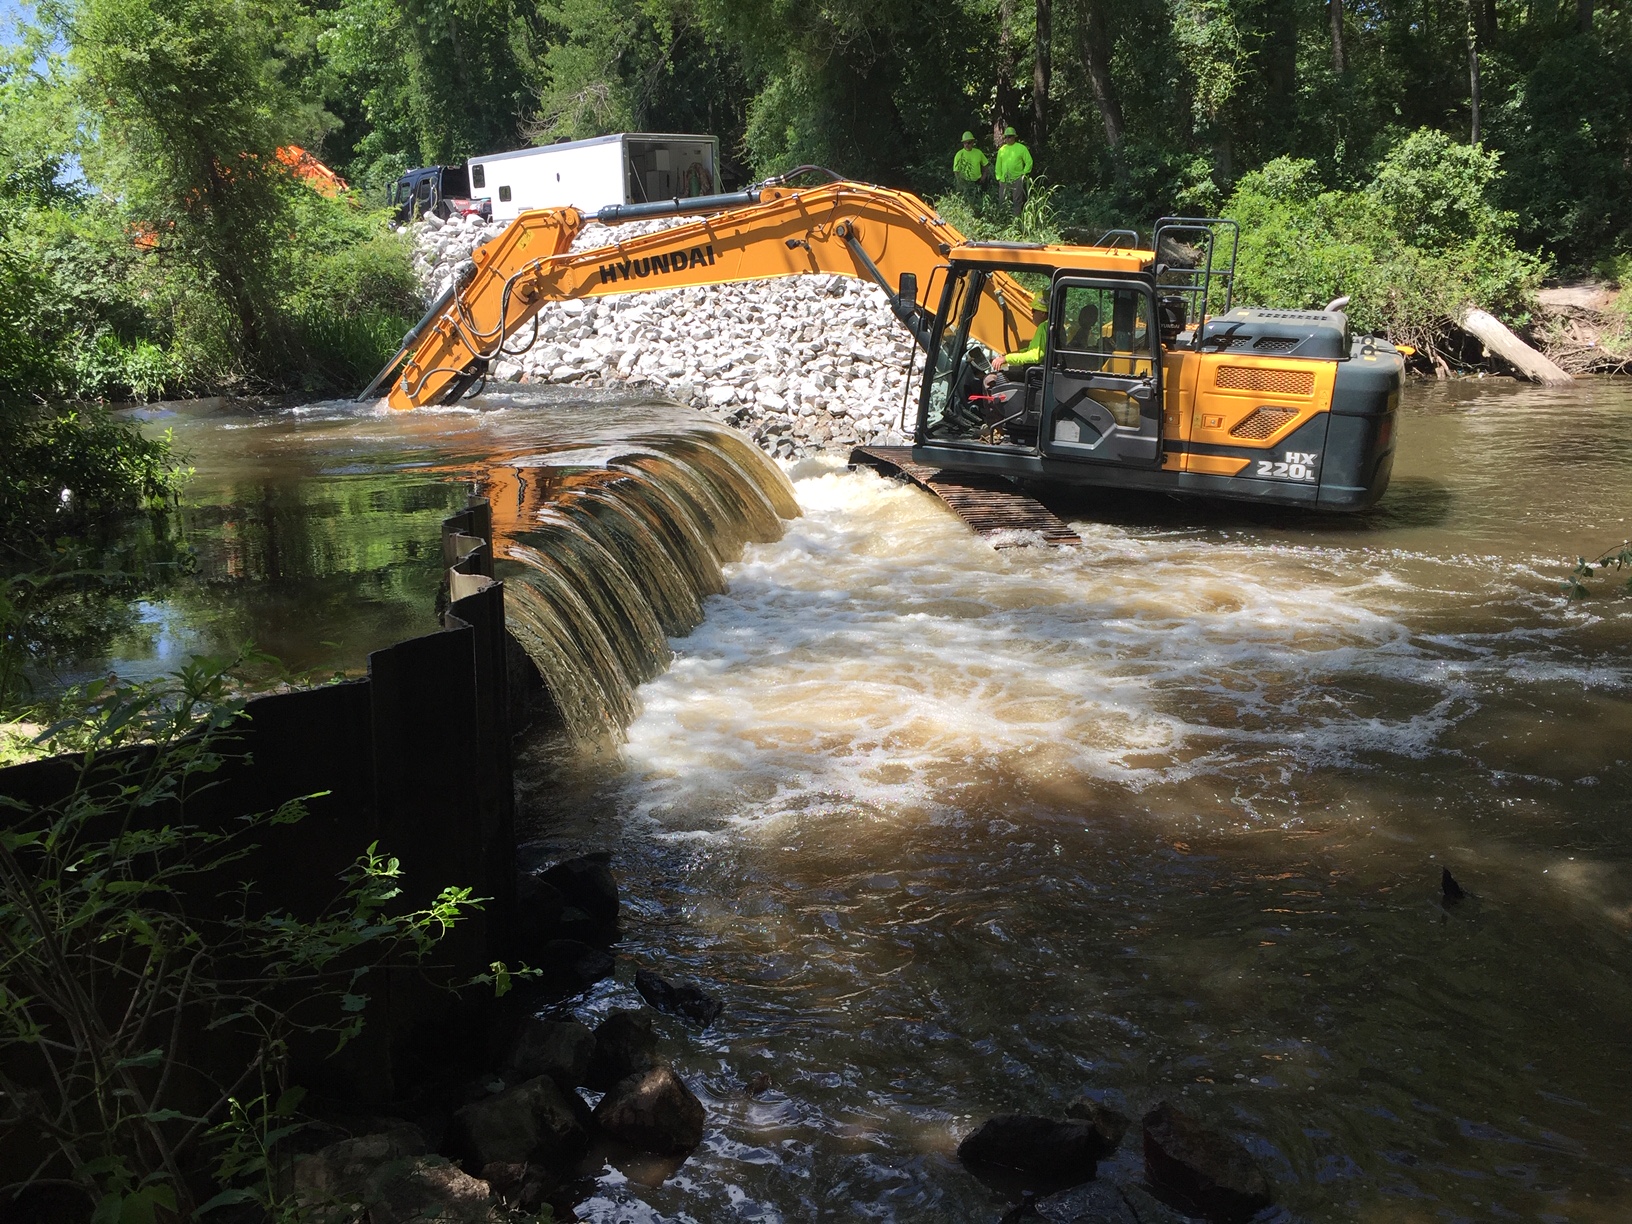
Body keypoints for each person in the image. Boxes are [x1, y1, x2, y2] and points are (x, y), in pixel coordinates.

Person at [994, 126, 1033, 216]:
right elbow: (998, 165)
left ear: (1014, 137)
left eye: (1010, 136)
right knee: (1002, 200)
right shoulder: (1002, 150)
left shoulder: (1021, 148)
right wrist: (999, 178)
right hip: (1004, 180)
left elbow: (1029, 162)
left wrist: (1024, 174)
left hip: (1017, 179)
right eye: (1006, 137)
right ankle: (1004, 219)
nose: (1008, 139)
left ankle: (1016, 220)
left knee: (1017, 201)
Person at [952, 131, 989, 203]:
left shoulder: (978, 152)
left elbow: (985, 164)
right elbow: (956, 171)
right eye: (964, 143)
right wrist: (960, 182)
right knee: (966, 202)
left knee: (979, 201)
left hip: (978, 182)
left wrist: (984, 176)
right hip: (965, 182)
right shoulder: (959, 154)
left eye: (968, 142)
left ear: (972, 142)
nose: (966, 145)